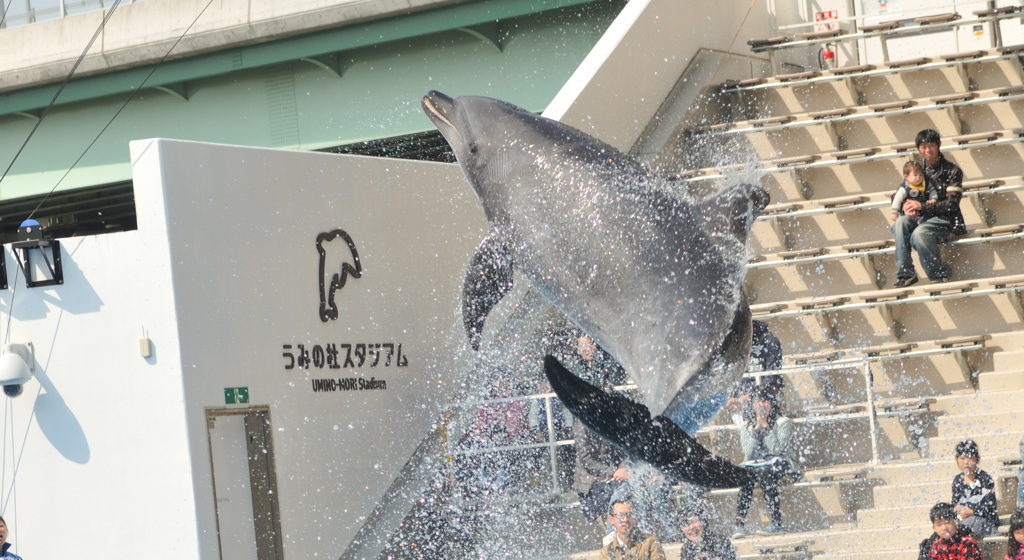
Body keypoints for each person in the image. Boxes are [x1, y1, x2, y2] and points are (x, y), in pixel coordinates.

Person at [892, 128, 965, 287]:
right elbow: (898, 193)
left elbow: (951, 205)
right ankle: (906, 273)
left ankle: (939, 274)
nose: (927, 150)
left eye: (931, 145)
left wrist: (921, 206)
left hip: (945, 220)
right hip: (920, 219)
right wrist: (906, 205)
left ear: (938, 145)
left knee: (920, 233)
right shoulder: (917, 170)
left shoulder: (952, 171)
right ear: (918, 149)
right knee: (900, 223)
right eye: (923, 146)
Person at [732, 386, 797, 537]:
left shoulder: (783, 422)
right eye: (758, 401)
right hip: (755, 464)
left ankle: (777, 522)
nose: (761, 405)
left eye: (765, 401)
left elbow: (776, 449)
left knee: (764, 473)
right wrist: (757, 426)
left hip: (780, 463)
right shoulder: (746, 426)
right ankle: (739, 524)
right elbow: (748, 452)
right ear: (752, 405)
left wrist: (766, 425)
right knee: (744, 476)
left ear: (772, 404)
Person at [951, 439, 998, 537]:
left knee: (969, 522)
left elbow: (990, 507)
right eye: (962, 458)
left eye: (970, 458)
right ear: (957, 460)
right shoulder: (958, 480)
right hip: (965, 523)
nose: (966, 462)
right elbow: (954, 504)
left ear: (976, 459)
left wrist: (972, 511)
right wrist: (957, 509)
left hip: (984, 523)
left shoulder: (985, 479)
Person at [600, 493, 667, 560]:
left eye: (630, 514)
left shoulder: (651, 542)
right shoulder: (607, 551)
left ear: (636, 517)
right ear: (611, 519)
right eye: (620, 515)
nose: (625, 519)